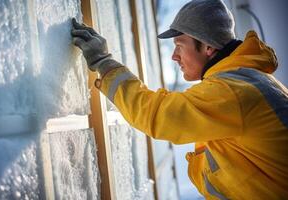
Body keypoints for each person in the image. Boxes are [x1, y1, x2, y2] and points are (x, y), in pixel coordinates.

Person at [71, 0, 288, 199]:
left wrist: (104, 63)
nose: (174, 56)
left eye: (179, 45)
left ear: (208, 46)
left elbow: (158, 114)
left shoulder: (231, 91)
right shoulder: (248, 80)